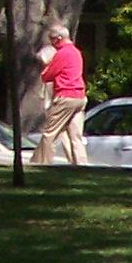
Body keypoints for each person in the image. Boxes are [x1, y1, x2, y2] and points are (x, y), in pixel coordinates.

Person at [32, 25, 89, 165]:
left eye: (52, 39)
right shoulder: (76, 52)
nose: (51, 43)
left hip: (66, 97)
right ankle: (81, 165)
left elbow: (47, 76)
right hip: (80, 97)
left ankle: (43, 164)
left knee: (49, 133)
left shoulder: (63, 53)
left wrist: (45, 65)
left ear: (59, 39)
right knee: (76, 137)